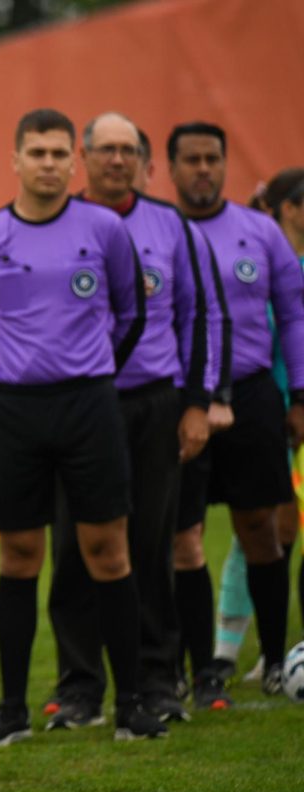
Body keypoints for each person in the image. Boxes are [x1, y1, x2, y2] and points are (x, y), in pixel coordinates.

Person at [0, 108, 165, 743]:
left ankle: (130, 705)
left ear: (74, 162)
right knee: (19, 558)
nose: (47, 163)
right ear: (14, 160)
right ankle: (13, 709)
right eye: (35, 153)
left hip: (91, 407)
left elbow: (130, 316)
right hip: (16, 414)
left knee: (109, 551)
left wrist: (90, 373)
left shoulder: (103, 228)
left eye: (57, 153)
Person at [41, 112, 216, 729]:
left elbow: (198, 314)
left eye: (128, 150)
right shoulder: (59, 221)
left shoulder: (169, 224)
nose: (117, 160)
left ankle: (157, 681)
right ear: (83, 157)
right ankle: (79, 688)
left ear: (143, 161)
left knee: (150, 544)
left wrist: (197, 402)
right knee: (73, 548)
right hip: (80, 404)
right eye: (105, 149)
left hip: (153, 405)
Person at [168, 123, 304, 700]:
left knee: (261, 528)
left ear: (225, 165)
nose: (203, 168)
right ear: (170, 167)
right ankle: (188, 666)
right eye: (192, 159)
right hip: (177, 400)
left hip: (250, 394)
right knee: (182, 535)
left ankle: (273, 660)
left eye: (212, 159)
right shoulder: (153, 229)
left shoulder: (260, 232)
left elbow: (293, 315)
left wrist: (299, 395)